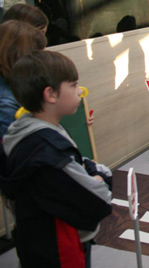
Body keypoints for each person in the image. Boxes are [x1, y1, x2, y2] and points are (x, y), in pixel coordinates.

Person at [0, 50, 112, 267]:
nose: (80, 91)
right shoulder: (49, 151)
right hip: (59, 249)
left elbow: (79, 165)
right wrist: (100, 176)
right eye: (73, 85)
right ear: (50, 94)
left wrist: (86, 169)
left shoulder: (23, 131)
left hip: (34, 242)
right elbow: (99, 200)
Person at [0, 21, 48, 139]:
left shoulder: (18, 84)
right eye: (38, 54)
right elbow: (26, 147)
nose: (42, 60)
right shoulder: (6, 102)